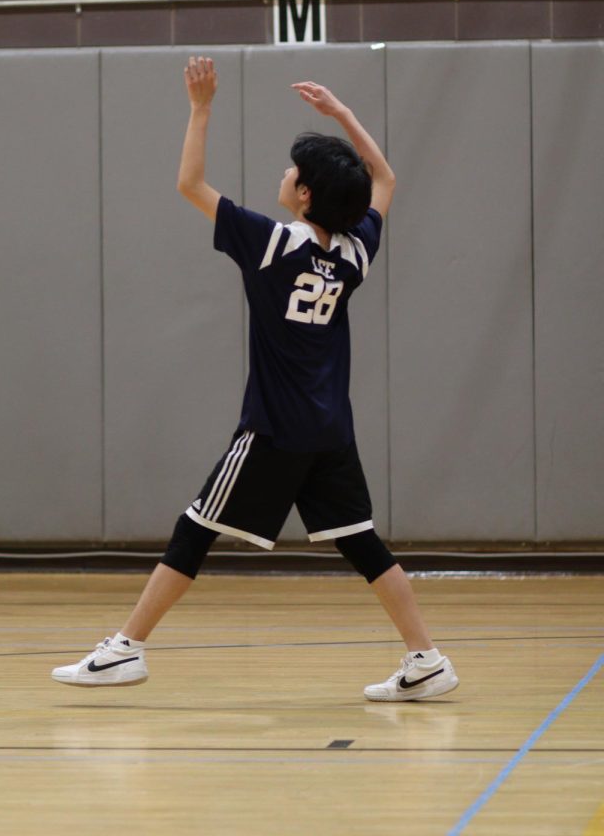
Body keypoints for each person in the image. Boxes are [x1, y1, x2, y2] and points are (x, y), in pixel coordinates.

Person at [52, 56, 458, 702]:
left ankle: (125, 650)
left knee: (195, 527)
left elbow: (190, 183)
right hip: (329, 427)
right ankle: (427, 658)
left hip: (274, 428)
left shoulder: (275, 245)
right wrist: (342, 115)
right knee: (362, 543)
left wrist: (202, 107)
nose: (286, 172)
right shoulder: (353, 253)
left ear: (304, 196)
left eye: (294, 170)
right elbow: (384, 176)